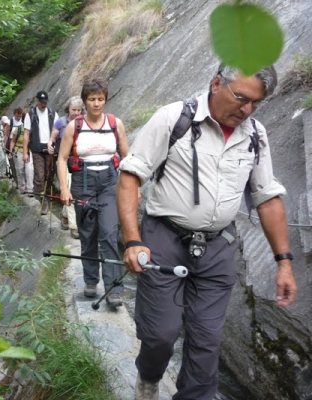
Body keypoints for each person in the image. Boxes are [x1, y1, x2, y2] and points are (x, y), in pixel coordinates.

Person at [117, 64, 297, 400]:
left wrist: (283, 262)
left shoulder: (255, 135)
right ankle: (149, 376)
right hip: (163, 239)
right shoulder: (173, 119)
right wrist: (132, 239)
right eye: (241, 98)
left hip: (218, 248)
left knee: (206, 341)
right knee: (160, 334)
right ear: (216, 83)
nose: (246, 110)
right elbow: (130, 176)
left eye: (255, 103)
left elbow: (267, 198)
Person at [57, 78, 129, 307]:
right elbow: (62, 159)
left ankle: (114, 288)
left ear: (105, 99)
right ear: (85, 101)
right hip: (83, 181)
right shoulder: (74, 126)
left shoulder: (116, 124)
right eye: (92, 99)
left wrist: (132, 186)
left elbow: (127, 157)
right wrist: (65, 189)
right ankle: (90, 280)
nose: (96, 104)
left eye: (100, 99)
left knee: (108, 233)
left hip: (109, 181)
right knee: (88, 233)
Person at [49, 96, 84, 239]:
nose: (76, 112)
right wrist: (50, 145)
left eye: (78, 110)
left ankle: (64, 216)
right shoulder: (61, 122)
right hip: (64, 162)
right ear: (68, 109)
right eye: (73, 109)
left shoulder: (84, 122)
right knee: (70, 191)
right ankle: (74, 226)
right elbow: (52, 138)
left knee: (72, 192)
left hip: (79, 162)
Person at [23, 91, 59, 214]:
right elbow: (26, 133)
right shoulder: (31, 114)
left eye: (45, 102)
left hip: (50, 149)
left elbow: (57, 131)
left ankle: (46, 194)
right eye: (41, 102)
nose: (44, 105)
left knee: (49, 175)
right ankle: (43, 201)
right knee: (39, 174)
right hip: (37, 149)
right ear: (37, 101)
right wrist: (25, 152)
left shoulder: (53, 114)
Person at [8, 107, 34, 194]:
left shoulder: (33, 129)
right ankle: (22, 187)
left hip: (29, 151)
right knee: (20, 170)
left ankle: (30, 189)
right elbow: (13, 141)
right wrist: (11, 152)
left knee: (29, 170)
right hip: (18, 150)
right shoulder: (18, 129)